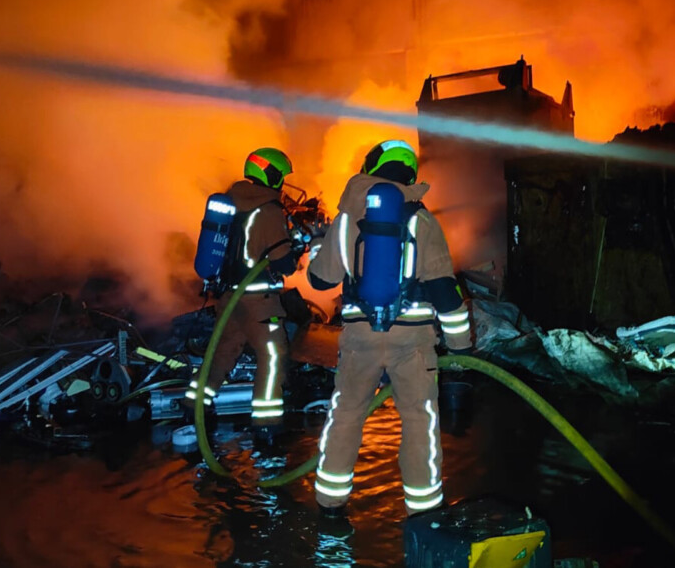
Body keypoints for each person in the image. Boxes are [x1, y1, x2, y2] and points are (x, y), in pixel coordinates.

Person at [308, 139, 473, 516]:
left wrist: (320, 246)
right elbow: (444, 291)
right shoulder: (422, 220)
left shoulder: (346, 218)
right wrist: (460, 348)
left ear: (371, 166)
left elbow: (320, 280)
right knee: (418, 419)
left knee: (346, 414)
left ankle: (330, 502)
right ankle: (424, 511)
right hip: (411, 341)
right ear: (410, 174)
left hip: (359, 338)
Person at [187, 147, 299, 438]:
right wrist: (297, 247)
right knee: (273, 355)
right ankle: (267, 425)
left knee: (222, 352)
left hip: (229, 298)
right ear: (272, 175)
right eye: (281, 176)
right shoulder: (269, 210)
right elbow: (283, 263)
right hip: (259, 301)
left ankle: (194, 406)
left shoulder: (232, 201)